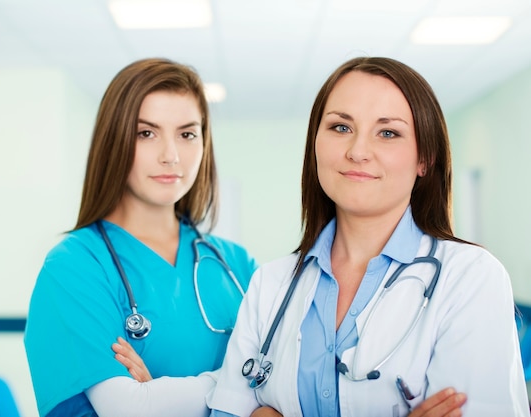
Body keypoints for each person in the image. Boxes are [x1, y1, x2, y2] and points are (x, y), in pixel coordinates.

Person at [207, 57, 531, 417]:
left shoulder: (471, 277)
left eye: (388, 132)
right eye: (341, 127)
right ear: (315, 143)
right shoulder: (271, 283)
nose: (357, 151)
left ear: (425, 158)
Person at [24, 58, 257, 417]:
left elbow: (286, 391)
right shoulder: (74, 268)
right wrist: (237, 386)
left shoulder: (237, 265)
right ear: (113, 141)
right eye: (146, 133)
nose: (171, 155)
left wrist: (161, 398)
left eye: (187, 133)